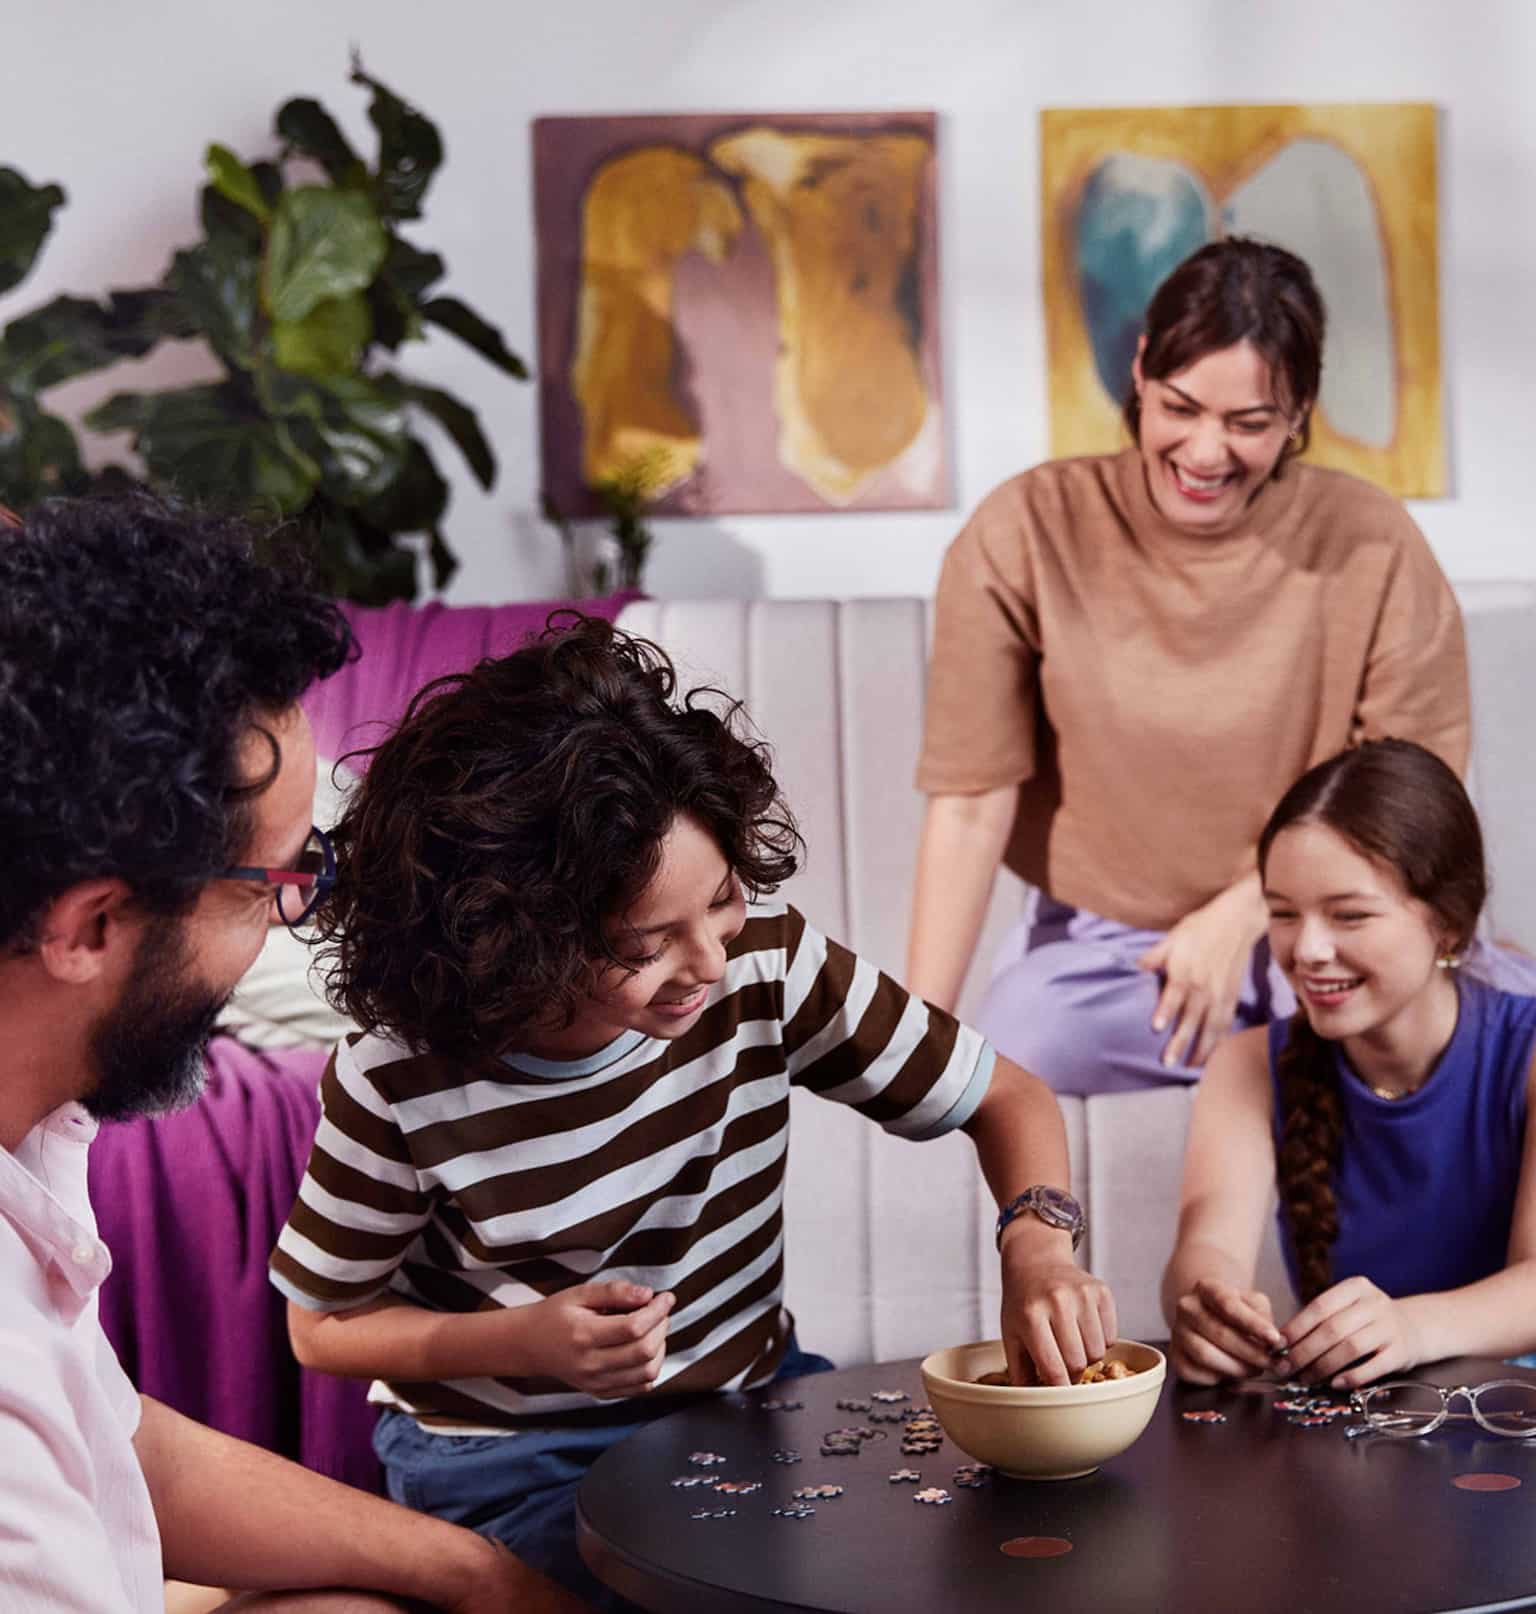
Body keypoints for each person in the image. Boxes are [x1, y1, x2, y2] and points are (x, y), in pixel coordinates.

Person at [270, 616, 1117, 1610]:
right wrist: (524, 1341)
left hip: (745, 1408)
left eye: (721, 900)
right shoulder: (397, 1076)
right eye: (644, 946)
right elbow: (321, 1328)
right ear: (512, 939)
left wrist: (1039, 1246)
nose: (709, 962)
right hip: (505, 1457)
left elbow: (1007, 1097)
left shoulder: (765, 960)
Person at [0, 494, 583, 1613]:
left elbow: (109, 1437)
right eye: (272, 883)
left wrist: (475, 1573)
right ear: (89, 927)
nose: (287, 918)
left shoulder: (30, 1124)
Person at [907, 235, 1531, 1094]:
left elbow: (1412, 801)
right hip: (1113, 955)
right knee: (1024, 1042)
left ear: (1299, 412)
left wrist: (1249, 914)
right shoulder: (1027, 531)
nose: (1206, 453)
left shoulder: (1373, 541)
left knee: (1484, 1041)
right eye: (1181, 407)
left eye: (1249, 423)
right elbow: (971, 804)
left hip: (1334, 924)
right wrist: (908, 1045)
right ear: (1140, 370)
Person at [1161, 739, 1536, 1389]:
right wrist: (1207, 1310)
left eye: (1350, 915)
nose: (1308, 949)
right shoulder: (1248, 1065)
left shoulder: (1524, 1052)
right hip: (1357, 1429)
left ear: (1448, 923)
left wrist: (1413, 1328)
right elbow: (1207, 1247)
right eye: (1283, 914)